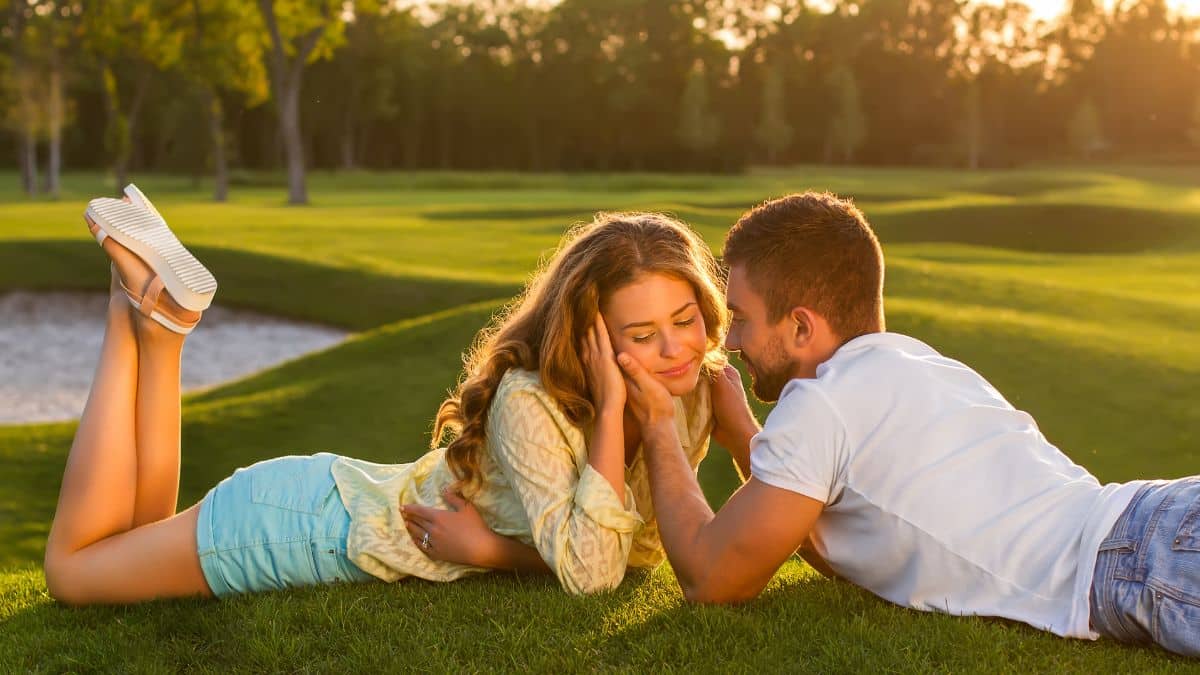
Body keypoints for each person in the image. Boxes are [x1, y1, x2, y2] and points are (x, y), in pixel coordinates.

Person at [42, 187, 748, 604]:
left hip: (332, 501)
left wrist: (498, 555)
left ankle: (162, 326)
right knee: (75, 571)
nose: (677, 348)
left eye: (686, 321)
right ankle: (123, 307)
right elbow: (593, 574)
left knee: (134, 535)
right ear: (591, 336)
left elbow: (638, 553)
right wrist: (617, 417)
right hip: (306, 530)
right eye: (644, 332)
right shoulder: (530, 402)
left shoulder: (686, 393)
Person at [615, 191, 1199, 657]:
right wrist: (739, 423)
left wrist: (660, 425)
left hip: (1147, 562)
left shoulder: (821, 403)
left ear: (800, 327)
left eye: (740, 318)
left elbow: (714, 579)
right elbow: (808, 529)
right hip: (1156, 526)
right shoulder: (910, 361)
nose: (732, 340)